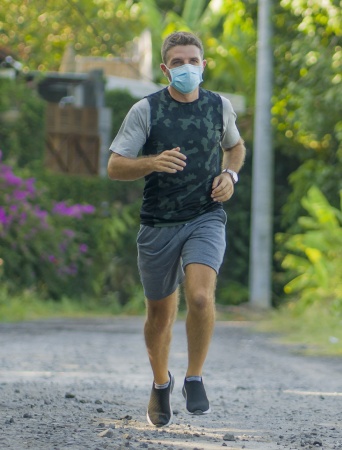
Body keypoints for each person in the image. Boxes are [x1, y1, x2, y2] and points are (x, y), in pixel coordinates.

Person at [107, 31, 245, 427]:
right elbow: (116, 166)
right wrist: (152, 162)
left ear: (204, 65)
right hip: (158, 223)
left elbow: (235, 146)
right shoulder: (145, 110)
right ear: (166, 69)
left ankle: (195, 376)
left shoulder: (220, 106)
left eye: (193, 61)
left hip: (206, 215)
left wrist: (230, 175)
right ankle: (160, 383)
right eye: (179, 63)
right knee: (159, 316)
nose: (187, 68)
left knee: (200, 298)